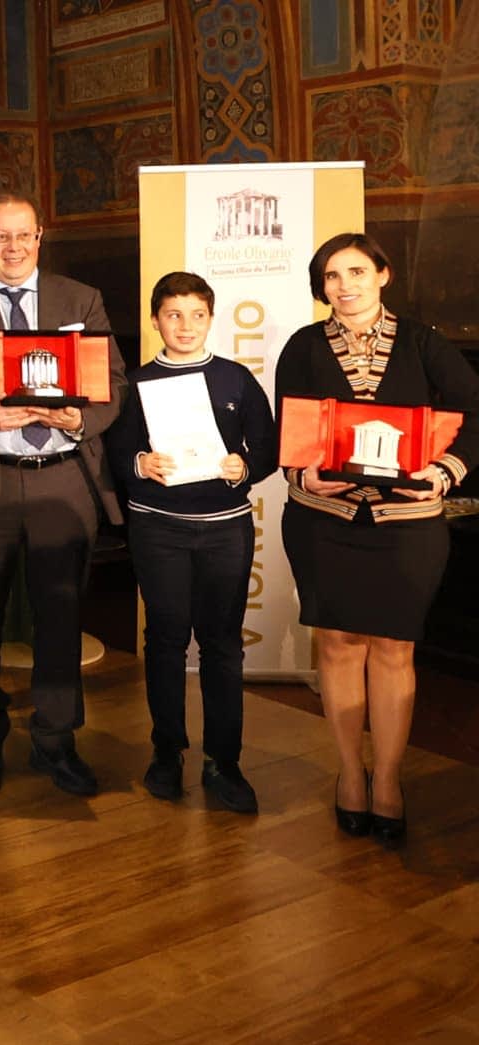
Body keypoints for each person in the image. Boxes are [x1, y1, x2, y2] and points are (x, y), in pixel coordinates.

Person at [274, 233, 479, 847]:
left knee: (394, 650)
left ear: (383, 275)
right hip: (324, 522)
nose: (346, 285)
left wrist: (447, 471)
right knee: (337, 646)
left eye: (357, 271)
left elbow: (475, 411)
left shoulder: (424, 343)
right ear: (322, 287)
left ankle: (387, 780)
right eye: (333, 276)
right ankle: (350, 776)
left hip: (406, 527)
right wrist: (299, 471)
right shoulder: (303, 346)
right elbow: (290, 427)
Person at [0, 191, 127, 799]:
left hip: (62, 476)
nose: (12, 248)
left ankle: (56, 742)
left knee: (60, 617)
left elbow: (112, 382)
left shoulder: (79, 299)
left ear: (41, 236)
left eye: (23, 235)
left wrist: (80, 421)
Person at [105, 272, 276, 813]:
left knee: (223, 645)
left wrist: (243, 465)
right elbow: (117, 451)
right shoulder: (133, 383)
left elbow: (268, 450)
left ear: (211, 317)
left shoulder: (236, 380)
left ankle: (224, 762)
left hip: (226, 527)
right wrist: (140, 463)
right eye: (173, 314)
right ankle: (166, 752)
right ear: (155, 320)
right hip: (159, 527)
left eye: (196, 314)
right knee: (165, 641)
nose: (184, 325)